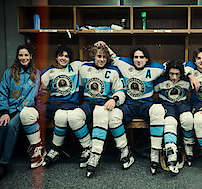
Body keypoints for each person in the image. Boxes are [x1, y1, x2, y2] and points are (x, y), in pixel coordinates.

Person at [94, 41, 166, 175]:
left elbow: (174, 67)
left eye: (141, 57)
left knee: (158, 110)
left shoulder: (156, 68)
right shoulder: (125, 64)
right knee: (114, 116)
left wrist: (191, 76)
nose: (138, 60)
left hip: (145, 104)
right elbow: (112, 57)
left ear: (146, 59)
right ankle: (124, 151)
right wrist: (104, 46)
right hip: (129, 104)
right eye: (136, 57)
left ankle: (155, 152)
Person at [67, 45, 134, 178]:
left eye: (104, 57)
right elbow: (79, 87)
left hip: (104, 104)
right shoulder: (85, 68)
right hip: (87, 103)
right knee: (73, 117)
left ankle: (95, 154)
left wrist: (114, 99)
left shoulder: (113, 71)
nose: (102, 59)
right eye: (99, 56)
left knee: (100, 112)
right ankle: (88, 147)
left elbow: (121, 91)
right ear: (93, 56)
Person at [20, 45, 88, 168]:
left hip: (69, 105)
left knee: (60, 115)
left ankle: (55, 149)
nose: (63, 58)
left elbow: (96, 64)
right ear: (56, 57)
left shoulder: (76, 67)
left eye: (66, 56)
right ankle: (38, 149)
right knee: (26, 114)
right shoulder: (49, 72)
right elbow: (38, 92)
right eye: (61, 55)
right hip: (51, 105)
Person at [0, 45, 41, 182]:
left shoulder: (36, 74)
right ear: (17, 57)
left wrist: (15, 112)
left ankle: (3, 163)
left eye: (26, 55)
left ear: (31, 56)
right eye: (21, 55)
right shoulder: (9, 72)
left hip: (22, 111)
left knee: (12, 125)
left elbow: (31, 97)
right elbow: (2, 93)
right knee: (2, 124)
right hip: (6, 109)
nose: (23, 58)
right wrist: (5, 111)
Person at [153, 60, 194, 175]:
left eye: (177, 74)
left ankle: (188, 146)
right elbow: (152, 89)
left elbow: (190, 68)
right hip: (167, 104)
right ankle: (171, 151)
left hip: (182, 103)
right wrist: (162, 85)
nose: (174, 77)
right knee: (169, 122)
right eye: (172, 74)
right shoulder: (161, 79)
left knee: (188, 119)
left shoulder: (186, 79)